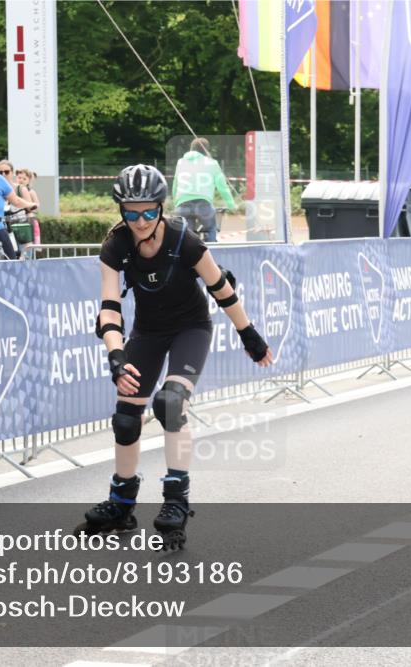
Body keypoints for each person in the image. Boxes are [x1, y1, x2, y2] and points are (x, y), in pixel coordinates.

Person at [77, 164, 273, 549]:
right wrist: (115, 356)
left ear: (161, 208)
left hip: (190, 328)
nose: (139, 221)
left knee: (169, 404)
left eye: (148, 212)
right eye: (130, 213)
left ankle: (176, 502)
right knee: (126, 417)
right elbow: (109, 307)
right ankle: (122, 503)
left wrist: (249, 334)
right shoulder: (115, 245)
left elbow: (222, 289)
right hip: (147, 332)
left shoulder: (185, 240)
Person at [172, 138, 237, 242]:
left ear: (190, 149)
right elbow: (222, 187)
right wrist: (231, 205)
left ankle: (187, 255)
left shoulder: (180, 162)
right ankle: (212, 251)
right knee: (211, 228)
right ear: (206, 150)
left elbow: (175, 184)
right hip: (204, 205)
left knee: (187, 237)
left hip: (182, 205)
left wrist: (175, 203)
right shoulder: (212, 163)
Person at [16, 168, 43, 246]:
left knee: (30, 240)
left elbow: (37, 204)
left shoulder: (31, 191)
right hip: (18, 217)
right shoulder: (15, 190)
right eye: (19, 178)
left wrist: (32, 206)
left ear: (29, 180)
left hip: (28, 216)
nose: (21, 180)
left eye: (24, 179)